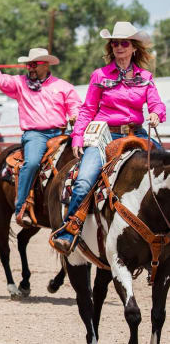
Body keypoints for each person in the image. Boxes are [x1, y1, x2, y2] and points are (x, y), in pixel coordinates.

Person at [51, 22, 165, 253]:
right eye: (115, 43)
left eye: (124, 43)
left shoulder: (145, 77)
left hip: (137, 132)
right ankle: (70, 228)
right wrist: (77, 138)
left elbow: (156, 104)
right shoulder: (99, 76)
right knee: (84, 180)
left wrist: (155, 113)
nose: (119, 47)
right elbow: (87, 109)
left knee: (166, 173)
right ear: (111, 47)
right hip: (105, 134)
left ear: (134, 47)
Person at [0, 44, 81, 226]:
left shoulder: (64, 87)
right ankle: (21, 205)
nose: (30, 68)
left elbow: (75, 106)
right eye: (28, 65)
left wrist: (75, 114)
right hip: (35, 134)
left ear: (46, 65)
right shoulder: (19, 84)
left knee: (80, 159)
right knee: (31, 163)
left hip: (61, 132)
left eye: (34, 64)